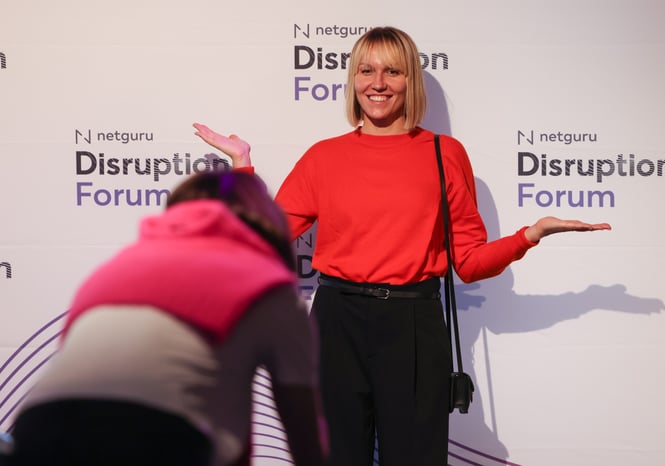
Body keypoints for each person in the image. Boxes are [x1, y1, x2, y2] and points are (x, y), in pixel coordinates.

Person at [193, 26, 611, 466]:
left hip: (413, 324)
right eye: (367, 70)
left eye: (393, 71)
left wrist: (531, 235)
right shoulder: (324, 157)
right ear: (353, 79)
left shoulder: (443, 153)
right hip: (337, 323)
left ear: (411, 80)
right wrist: (242, 166)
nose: (378, 83)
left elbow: (468, 263)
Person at [5, 171, 327, 466]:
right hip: (159, 436)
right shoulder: (269, 284)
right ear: (268, 220)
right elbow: (304, 437)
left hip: (39, 428)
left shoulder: (119, 266)